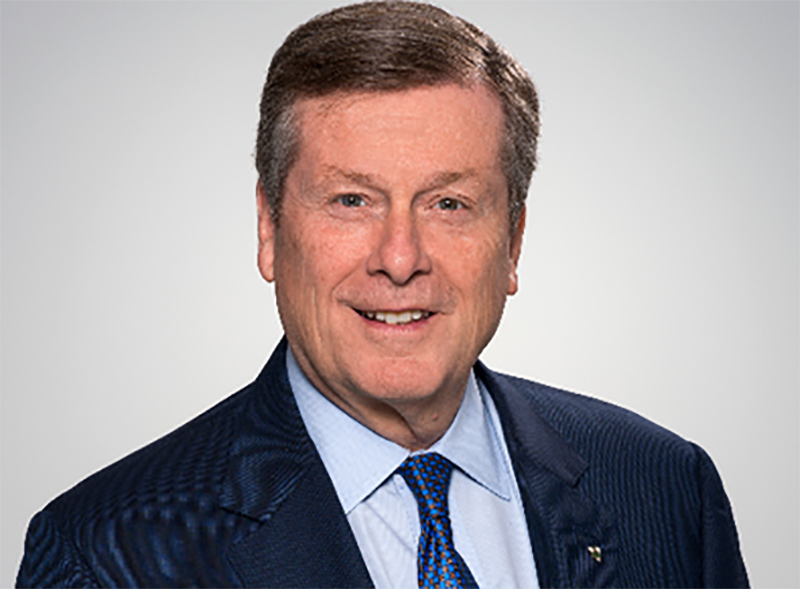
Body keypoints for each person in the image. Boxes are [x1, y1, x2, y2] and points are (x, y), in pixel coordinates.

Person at [17, 2, 748, 587]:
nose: (400, 259)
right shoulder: (107, 552)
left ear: (514, 241)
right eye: (351, 201)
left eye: (449, 204)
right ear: (269, 228)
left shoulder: (665, 485)